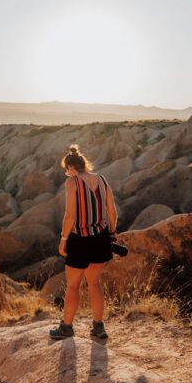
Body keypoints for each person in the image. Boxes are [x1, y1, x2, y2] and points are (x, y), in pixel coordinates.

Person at [49, 144, 117, 340]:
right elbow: (112, 211)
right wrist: (111, 232)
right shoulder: (102, 180)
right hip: (101, 238)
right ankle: (98, 327)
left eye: (66, 170)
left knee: (73, 286)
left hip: (79, 240)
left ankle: (67, 327)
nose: (66, 173)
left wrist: (63, 239)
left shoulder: (73, 182)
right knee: (94, 283)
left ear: (71, 167)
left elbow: (70, 215)